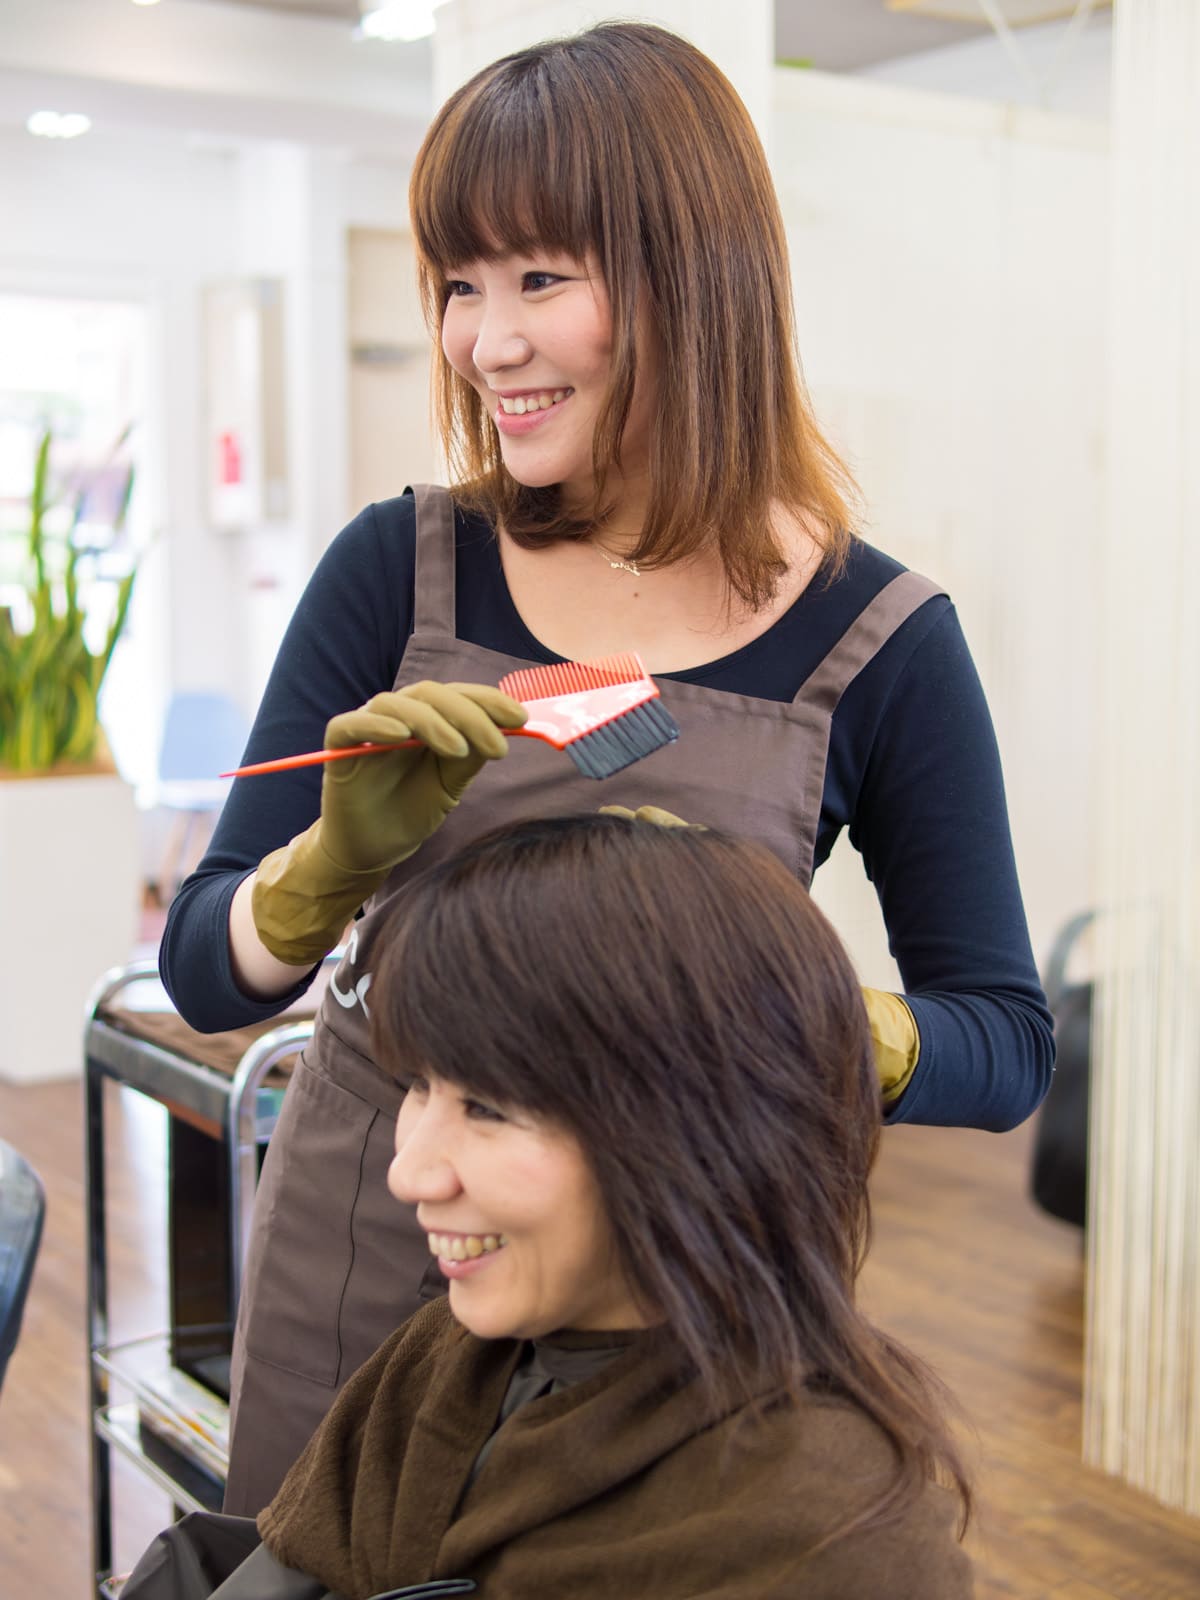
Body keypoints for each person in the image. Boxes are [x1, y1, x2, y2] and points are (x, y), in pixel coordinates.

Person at [159, 21, 1053, 1513]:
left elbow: (1004, 1043)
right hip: (382, 1240)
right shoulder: (401, 571)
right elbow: (204, 963)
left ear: (694, 284)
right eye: (456, 284)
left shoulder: (879, 639)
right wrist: (324, 874)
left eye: (539, 280)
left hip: (686, 1291)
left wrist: (791, 1009)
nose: (484, 341)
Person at [129, 815, 974, 1599]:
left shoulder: (838, 1544)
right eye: (421, 1085)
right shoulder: (434, 1368)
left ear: (697, 1128)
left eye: (490, 1109)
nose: (411, 1173)